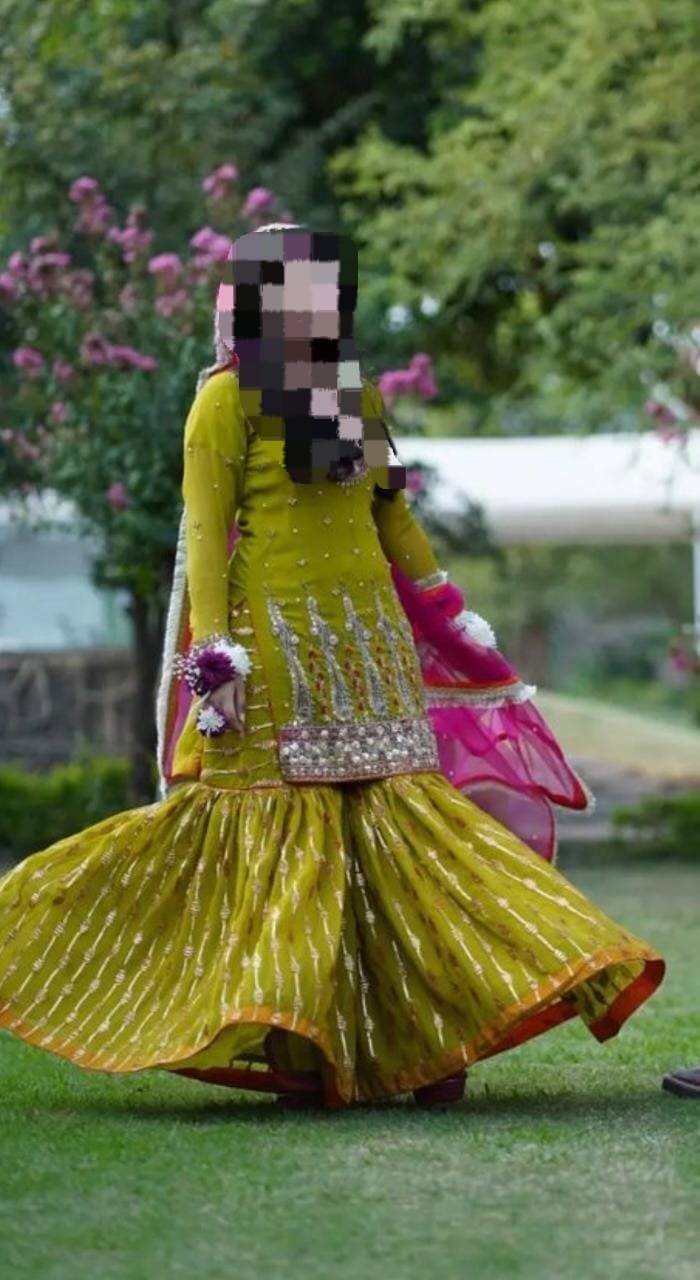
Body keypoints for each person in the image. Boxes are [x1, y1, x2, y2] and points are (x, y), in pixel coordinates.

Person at [0, 224, 665, 1109]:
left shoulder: (354, 396)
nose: (314, 305)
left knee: (407, 842)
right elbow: (206, 534)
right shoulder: (223, 402)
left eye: (326, 289)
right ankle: (302, 1052)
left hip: (366, 642)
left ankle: (434, 1045)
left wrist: (448, 606)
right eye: (293, 288)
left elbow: (393, 516)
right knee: (279, 844)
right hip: (270, 650)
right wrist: (215, 657)